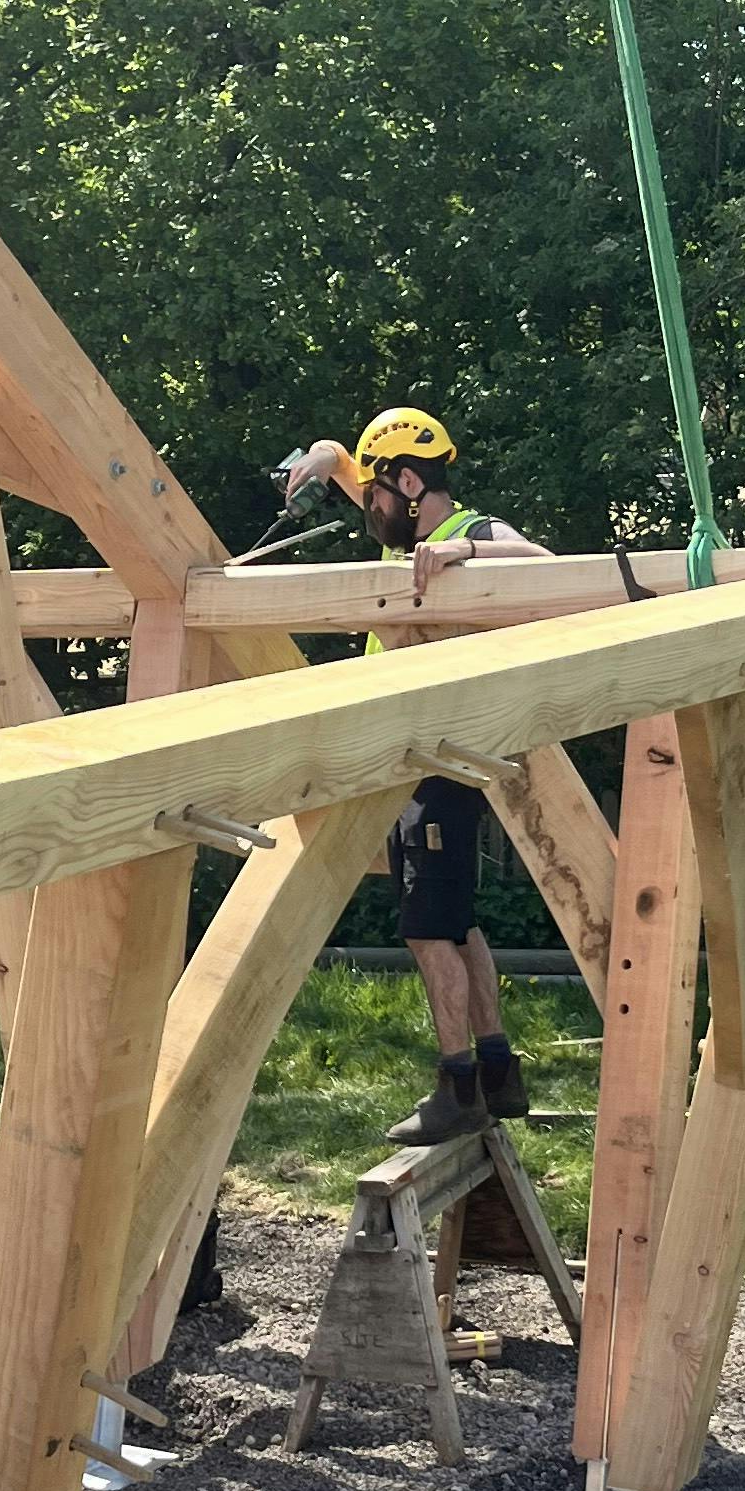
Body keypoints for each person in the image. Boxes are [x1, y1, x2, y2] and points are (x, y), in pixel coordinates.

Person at [282, 405, 548, 1144]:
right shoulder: (417, 546)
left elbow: (547, 565)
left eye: (376, 495)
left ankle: (456, 1086)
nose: (368, 510)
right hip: (429, 765)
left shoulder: (470, 537)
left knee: (428, 934)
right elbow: (349, 468)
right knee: (457, 926)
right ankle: (499, 1073)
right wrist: (326, 455)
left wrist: (465, 558)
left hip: (432, 763)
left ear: (408, 482)